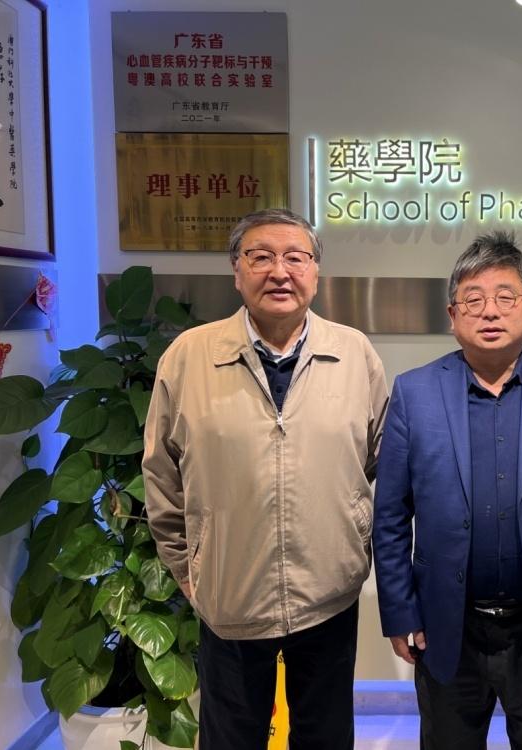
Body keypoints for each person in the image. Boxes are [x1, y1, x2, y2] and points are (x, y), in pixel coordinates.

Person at [142, 208, 388, 750]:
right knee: (232, 737)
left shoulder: (353, 353)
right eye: (261, 257)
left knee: (325, 737)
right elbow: (162, 474)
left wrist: (355, 541)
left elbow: (382, 464)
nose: (280, 271)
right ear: (237, 271)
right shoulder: (189, 356)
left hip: (328, 594)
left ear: (315, 271)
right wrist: (189, 567)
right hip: (230, 595)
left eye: (295, 257)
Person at [372, 230, 522, 750]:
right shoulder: (414, 392)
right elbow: (390, 516)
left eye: (506, 297)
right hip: (447, 624)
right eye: (473, 299)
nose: (489, 311)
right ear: (452, 314)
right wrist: (399, 610)